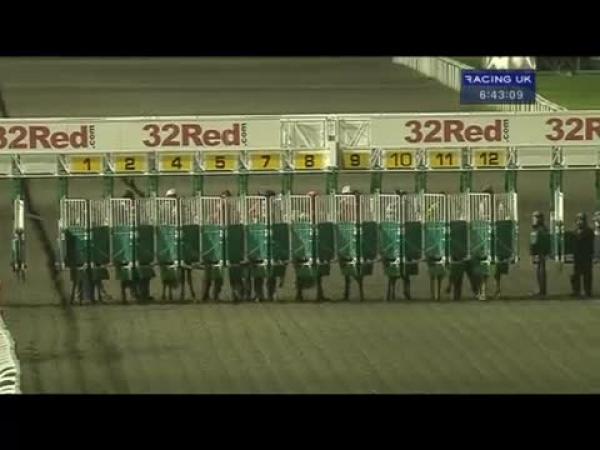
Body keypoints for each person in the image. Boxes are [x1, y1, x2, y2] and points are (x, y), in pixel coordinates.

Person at [570, 212, 594, 298]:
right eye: (578, 220)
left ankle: (587, 291)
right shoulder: (574, 233)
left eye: (581, 219)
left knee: (587, 274)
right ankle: (576, 291)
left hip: (586, 256)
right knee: (576, 274)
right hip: (577, 256)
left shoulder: (589, 232)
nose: (580, 222)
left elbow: (590, 245)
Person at [530, 211, 550, 298]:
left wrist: (534, 253)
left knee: (540, 271)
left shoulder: (539, 230)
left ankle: (542, 290)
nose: (533, 220)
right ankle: (542, 290)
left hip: (540, 253)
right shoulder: (542, 229)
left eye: (534, 218)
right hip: (540, 253)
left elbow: (535, 243)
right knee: (540, 271)